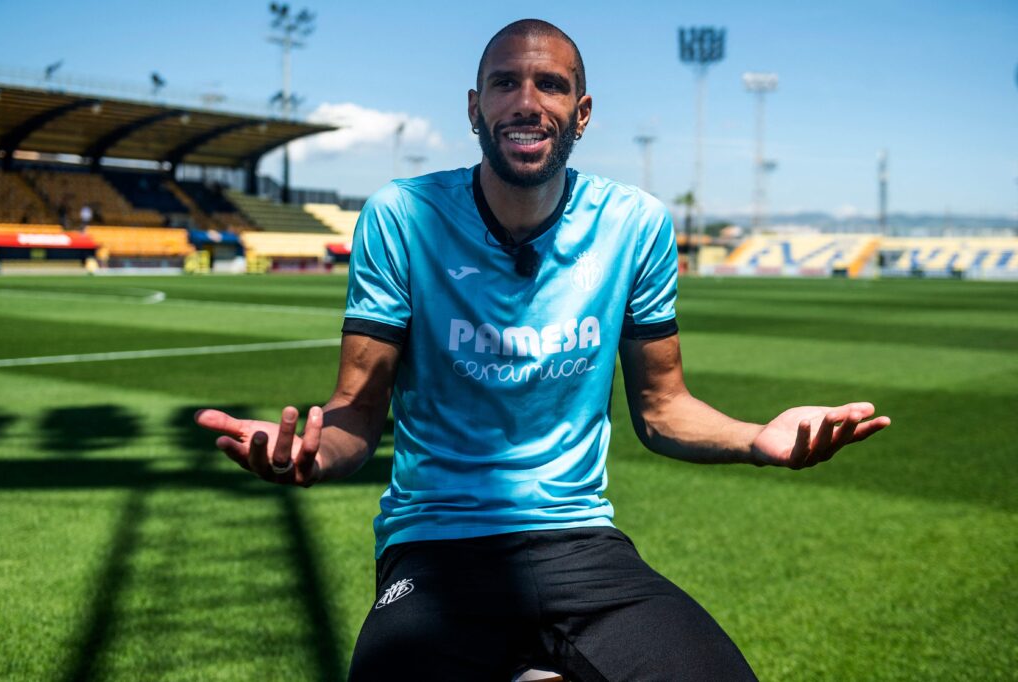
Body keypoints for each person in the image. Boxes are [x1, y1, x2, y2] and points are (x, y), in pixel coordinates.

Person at [195, 19, 890, 681]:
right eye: (504, 84)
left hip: (581, 546)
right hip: (435, 546)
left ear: (582, 112)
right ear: (474, 107)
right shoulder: (402, 217)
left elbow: (663, 409)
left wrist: (755, 438)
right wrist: (310, 454)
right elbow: (358, 412)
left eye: (550, 85)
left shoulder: (634, 225)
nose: (526, 103)